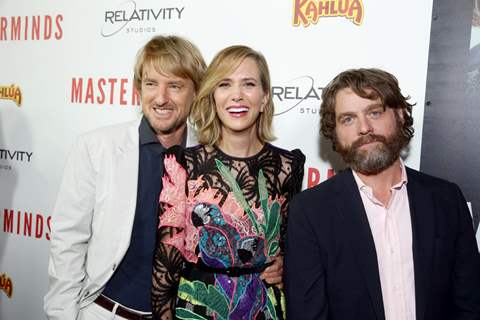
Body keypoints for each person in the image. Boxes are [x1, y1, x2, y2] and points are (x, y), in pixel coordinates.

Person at [285, 68, 480, 320]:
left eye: (374, 112)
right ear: (335, 132)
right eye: (348, 119)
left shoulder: (446, 200)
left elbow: (469, 304)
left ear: (400, 114)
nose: (364, 128)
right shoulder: (310, 211)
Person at [43, 35, 206, 320]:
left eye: (175, 86)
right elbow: (68, 240)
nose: (161, 98)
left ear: (197, 92)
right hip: (103, 312)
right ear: (137, 89)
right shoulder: (97, 148)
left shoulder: (210, 159)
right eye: (151, 84)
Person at [152, 45, 305, 319]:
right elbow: (166, 264)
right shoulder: (183, 164)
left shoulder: (287, 167)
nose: (237, 95)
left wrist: (286, 265)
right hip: (197, 307)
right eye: (224, 84)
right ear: (213, 96)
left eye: (248, 84)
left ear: (265, 97)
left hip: (263, 308)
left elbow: (289, 247)